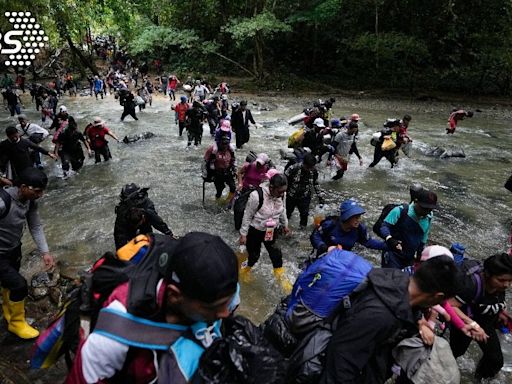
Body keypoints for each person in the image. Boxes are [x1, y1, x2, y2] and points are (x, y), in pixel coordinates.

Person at [65, 232, 239, 383]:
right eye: (215, 307)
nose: (226, 313)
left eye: (228, 302)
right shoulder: (112, 338)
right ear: (174, 295)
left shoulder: (217, 291)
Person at [320, 256, 459, 384]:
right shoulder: (378, 316)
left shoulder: (396, 280)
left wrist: (419, 321)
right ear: (438, 297)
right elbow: (340, 365)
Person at [0, 168, 55, 339]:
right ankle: (17, 324)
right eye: (37, 191)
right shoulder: (2, 202)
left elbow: (36, 226)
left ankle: (8, 313)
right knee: (19, 285)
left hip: (13, 249)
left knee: (9, 282)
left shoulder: (30, 201)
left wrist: (45, 252)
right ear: (24, 187)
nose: (41, 195)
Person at [448, 253, 512, 380]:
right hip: (465, 321)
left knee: (495, 360)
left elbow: (496, 297)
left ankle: (479, 379)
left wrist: (501, 311)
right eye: (502, 280)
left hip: (486, 321)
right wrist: (472, 324)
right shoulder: (471, 284)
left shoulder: (500, 284)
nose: (506, 285)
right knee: (455, 353)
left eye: (510, 281)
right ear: (488, 274)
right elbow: (450, 306)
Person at [239, 172, 290, 284]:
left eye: (284, 192)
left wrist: (285, 224)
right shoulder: (256, 196)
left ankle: (280, 277)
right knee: (254, 255)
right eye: (280, 192)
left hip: (271, 230)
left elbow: (283, 210)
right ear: (271, 188)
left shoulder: (282, 195)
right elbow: (247, 215)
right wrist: (243, 234)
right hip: (255, 230)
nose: (282, 194)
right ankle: (244, 270)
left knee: (276, 254)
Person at [380, 188, 438, 269]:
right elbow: (384, 226)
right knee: (391, 279)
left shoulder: (429, 217)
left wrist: (419, 254)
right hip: (393, 254)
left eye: (430, 209)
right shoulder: (400, 211)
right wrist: (390, 239)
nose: (427, 212)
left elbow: (424, 235)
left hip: (409, 257)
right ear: (416, 202)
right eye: (424, 208)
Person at [311, 199, 386, 256]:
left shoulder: (360, 229)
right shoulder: (330, 224)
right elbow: (315, 236)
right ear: (347, 217)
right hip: (323, 255)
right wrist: (324, 248)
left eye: (359, 217)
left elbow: (369, 242)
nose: (358, 220)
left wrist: (391, 245)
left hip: (342, 258)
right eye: (355, 217)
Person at [113, 183, 175, 249]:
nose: (136, 226)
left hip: (145, 222)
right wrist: (120, 251)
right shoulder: (122, 213)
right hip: (129, 225)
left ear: (143, 217)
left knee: (147, 237)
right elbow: (119, 234)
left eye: (138, 224)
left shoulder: (148, 209)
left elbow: (158, 223)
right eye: (135, 224)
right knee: (129, 242)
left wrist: (170, 234)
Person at [285, 153, 325, 229]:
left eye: (311, 167)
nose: (309, 169)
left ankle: (302, 230)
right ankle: (285, 228)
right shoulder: (293, 169)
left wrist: (320, 197)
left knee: (304, 214)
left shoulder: (314, 171)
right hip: (291, 195)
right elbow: (284, 182)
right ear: (303, 163)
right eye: (308, 167)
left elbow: (315, 183)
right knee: (287, 213)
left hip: (305, 196)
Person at [203, 135, 236, 203]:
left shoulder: (230, 150)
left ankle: (227, 201)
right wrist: (206, 175)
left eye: (226, 144)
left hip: (228, 172)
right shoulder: (213, 150)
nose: (224, 146)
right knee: (219, 191)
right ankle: (217, 201)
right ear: (219, 143)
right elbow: (205, 162)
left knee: (233, 188)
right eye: (223, 143)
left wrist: (234, 170)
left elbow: (234, 160)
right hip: (217, 174)